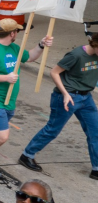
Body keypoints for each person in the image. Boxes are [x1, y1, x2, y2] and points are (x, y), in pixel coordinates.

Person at [0, 18, 53, 182]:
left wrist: (41, 45)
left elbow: (29, 57)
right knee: (1, 136)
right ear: (12, 33)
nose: (17, 33)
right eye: (17, 31)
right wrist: (5, 78)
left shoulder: (13, 48)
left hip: (7, 101)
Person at [20, 32, 98, 179]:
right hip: (67, 96)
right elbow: (54, 72)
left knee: (95, 131)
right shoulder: (76, 55)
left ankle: (96, 168)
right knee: (53, 129)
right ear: (95, 45)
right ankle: (27, 155)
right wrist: (65, 93)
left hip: (86, 97)